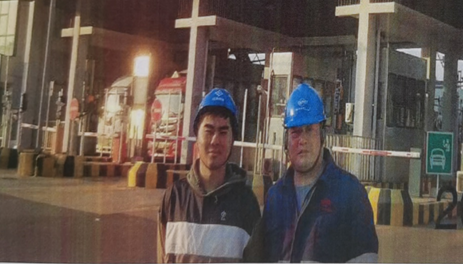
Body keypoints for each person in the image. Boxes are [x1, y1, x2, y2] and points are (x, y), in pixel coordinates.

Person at [259, 83, 379, 262]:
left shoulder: (350, 194)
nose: (302, 140)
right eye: (295, 132)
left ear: (322, 136)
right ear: (286, 141)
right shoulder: (275, 198)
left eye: (309, 130)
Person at [157, 88, 261, 263]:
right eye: (209, 130)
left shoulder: (247, 205)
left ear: (232, 140)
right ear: (196, 135)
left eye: (223, 132)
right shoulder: (173, 199)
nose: (215, 141)